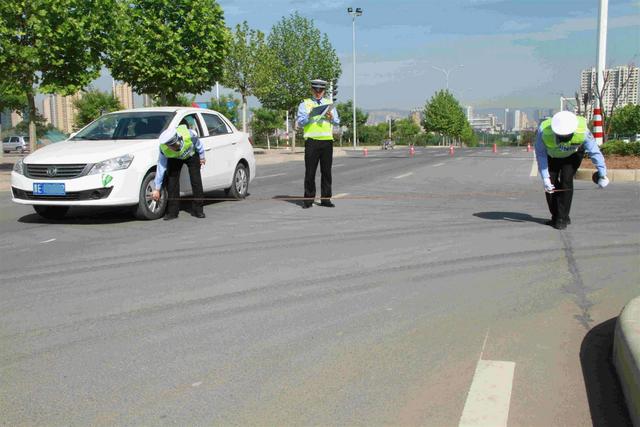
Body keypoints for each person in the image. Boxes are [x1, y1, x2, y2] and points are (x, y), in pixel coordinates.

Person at [534, 111, 608, 230]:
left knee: (566, 180)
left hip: (573, 155)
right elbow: (541, 155)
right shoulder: (543, 131)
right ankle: (556, 216)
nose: (564, 138)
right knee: (551, 185)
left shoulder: (582, 131)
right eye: (561, 136)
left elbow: (594, 152)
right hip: (552, 156)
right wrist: (545, 178)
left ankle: (562, 218)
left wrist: (603, 175)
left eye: (567, 136)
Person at [296, 79, 340, 209]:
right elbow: (301, 122)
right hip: (312, 141)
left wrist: (331, 118)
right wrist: (310, 115)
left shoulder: (329, 103)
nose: (318, 93)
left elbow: (337, 121)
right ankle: (308, 200)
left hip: (327, 141)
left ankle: (326, 199)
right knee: (310, 172)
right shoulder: (305, 104)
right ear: (312, 90)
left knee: (326, 172)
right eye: (316, 90)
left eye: (320, 91)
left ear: (324, 91)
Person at [151, 121, 206, 220]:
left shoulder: (189, 135)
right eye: (171, 146)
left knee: (196, 180)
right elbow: (161, 167)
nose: (174, 147)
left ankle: (198, 209)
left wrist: (202, 157)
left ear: (178, 138)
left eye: (175, 144)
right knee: (172, 182)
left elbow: (199, 145)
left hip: (191, 155)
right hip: (175, 159)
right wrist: (157, 188)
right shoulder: (164, 149)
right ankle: (172, 212)